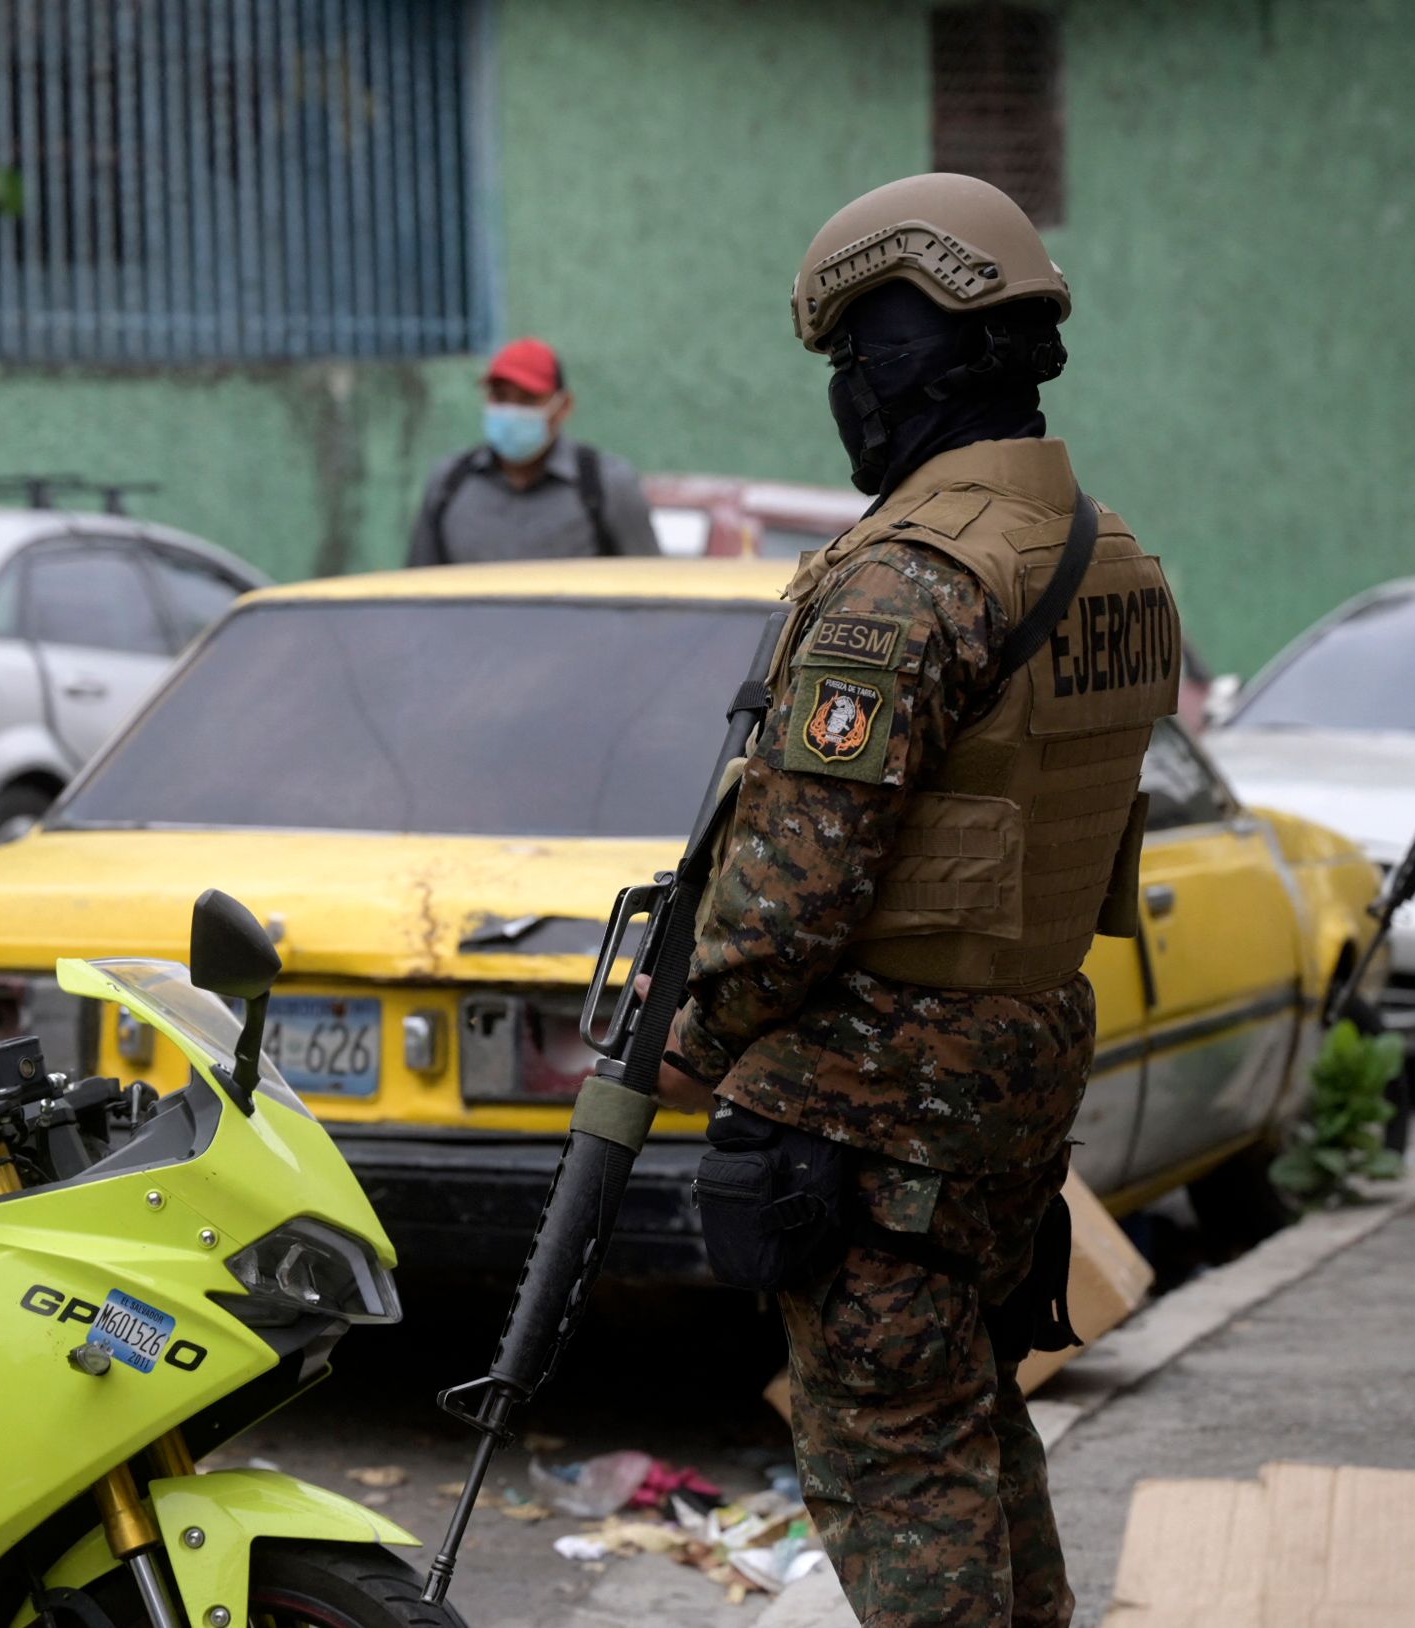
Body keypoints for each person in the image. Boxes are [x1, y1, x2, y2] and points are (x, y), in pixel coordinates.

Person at [660, 174, 1178, 1628]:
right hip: (1015, 1072)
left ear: (910, 367)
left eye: (851, 366)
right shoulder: (1118, 563)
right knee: (966, 1418)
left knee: (894, 1453)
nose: (846, 401)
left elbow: (787, 902)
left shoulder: (907, 582)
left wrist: (695, 1039)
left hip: (877, 1104)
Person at [405, 337, 658, 564]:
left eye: (528, 399)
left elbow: (650, 591)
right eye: (500, 397)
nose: (511, 411)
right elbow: (418, 593)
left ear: (564, 406)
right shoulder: (450, 484)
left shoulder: (604, 486)